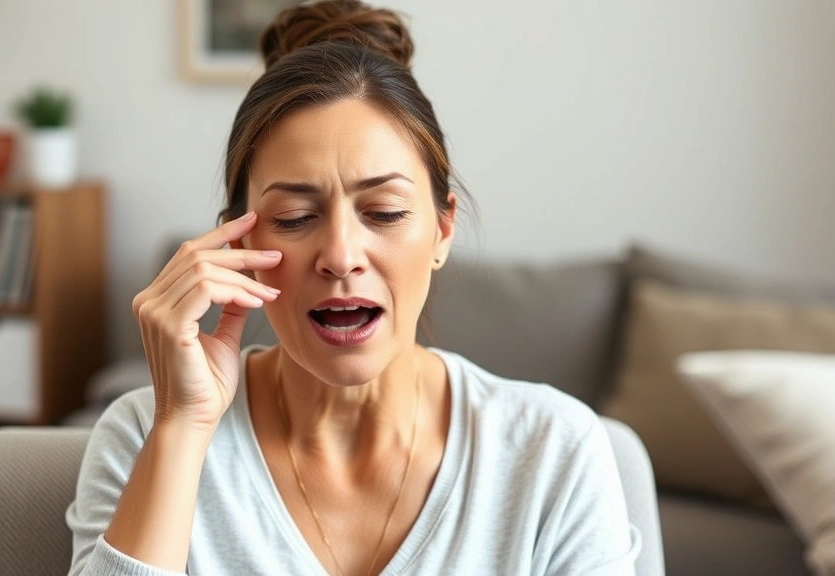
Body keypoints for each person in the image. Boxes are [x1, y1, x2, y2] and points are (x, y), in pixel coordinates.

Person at [67, 1, 640, 574]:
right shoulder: (145, 434)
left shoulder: (555, 453)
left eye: (385, 212)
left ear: (443, 229)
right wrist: (182, 430)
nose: (340, 257)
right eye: (293, 217)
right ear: (239, 247)